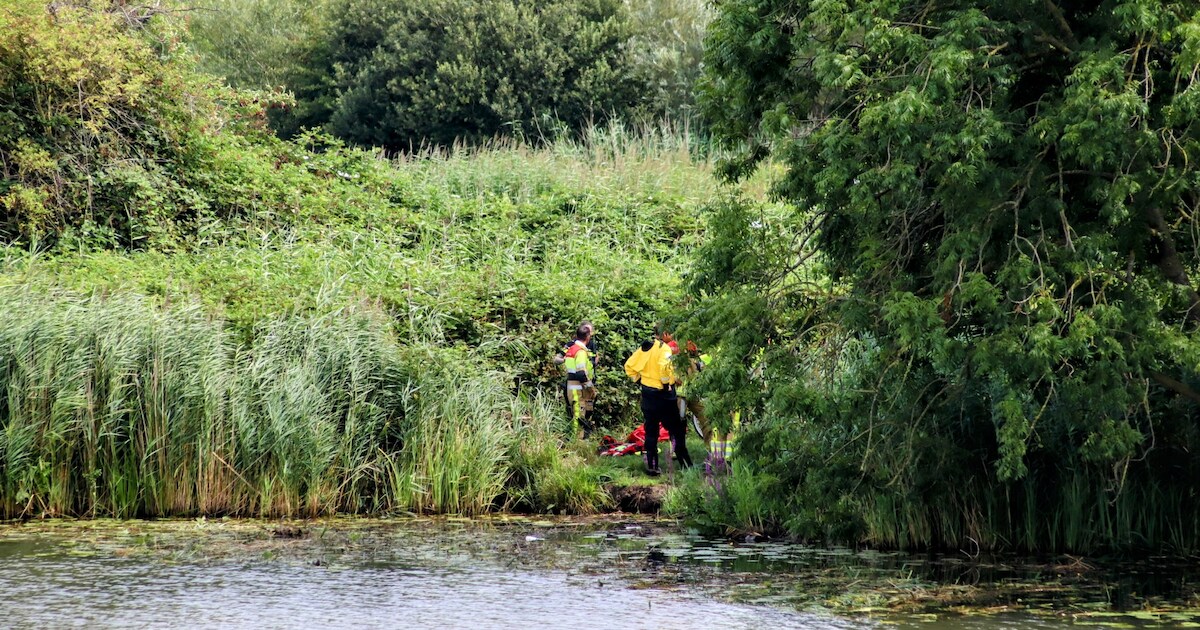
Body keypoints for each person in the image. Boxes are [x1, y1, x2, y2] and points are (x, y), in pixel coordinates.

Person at [624, 327, 692, 475]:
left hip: (647, 394)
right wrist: (666, 384)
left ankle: (652, 465)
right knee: (676, 429)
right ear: (665, 334)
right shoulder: (664, 348)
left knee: (651, 431)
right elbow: (664, 368)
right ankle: (686, 465)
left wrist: (640, 380)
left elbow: (629, 366)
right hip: (663, 394)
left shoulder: (646, 347)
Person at [562, 323, 597, 439]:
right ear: (588, 337)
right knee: (579, 415)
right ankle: (578, 441)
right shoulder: (581, 352)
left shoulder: (571, 349)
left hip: (572, 386)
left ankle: (583, 437)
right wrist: (590, 386)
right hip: (579, 387)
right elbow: (581, 373)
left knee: (582, 412)